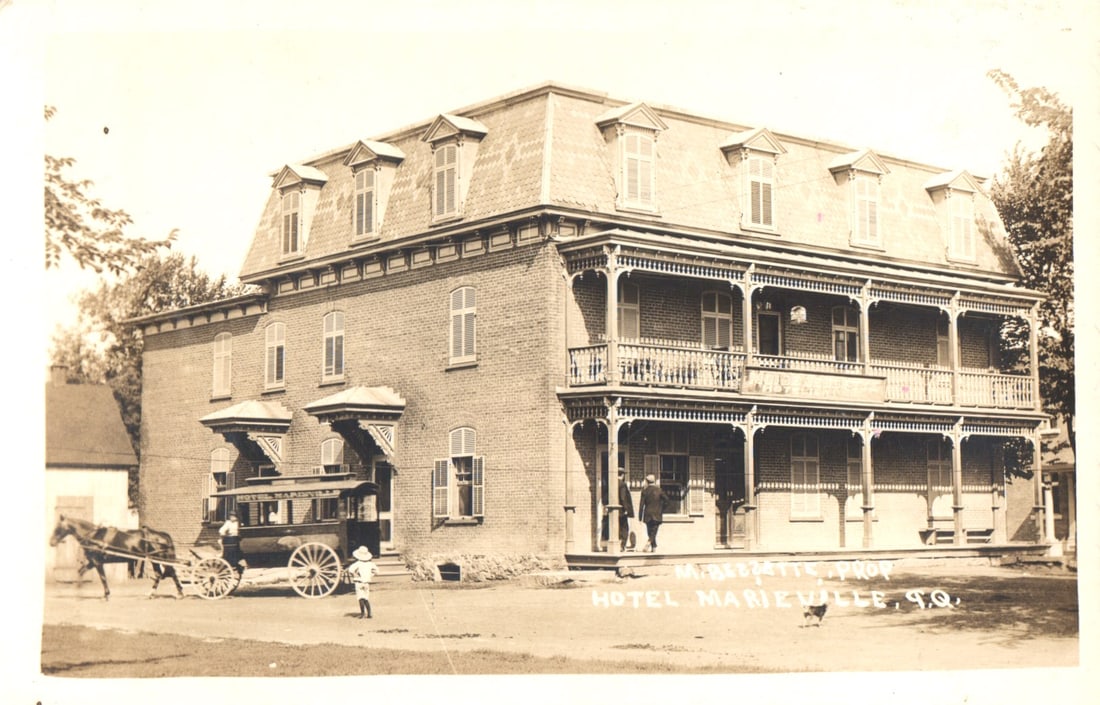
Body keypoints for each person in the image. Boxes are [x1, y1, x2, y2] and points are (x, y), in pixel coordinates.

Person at [346, 546, 378, 619]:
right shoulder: (370, 564)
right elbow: (377, 571)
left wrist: (355, 574)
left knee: (360, 598)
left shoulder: (358, 563)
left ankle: (362, 613)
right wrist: (371, 575)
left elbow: (350, 570)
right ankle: (369, 614)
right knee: (366, 598)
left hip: (359, 582)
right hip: (366, 583)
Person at [638, 474, 667, 553]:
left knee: (649, 531)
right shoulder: (659, 490)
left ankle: (653, 546)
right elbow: (667, 501)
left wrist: (640, 516)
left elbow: (641, 505)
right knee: (654, 531)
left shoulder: (644, 491)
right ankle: (650, 543)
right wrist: (661, 509)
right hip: (657, 514)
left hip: (647, 514)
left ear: (647, 482)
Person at [218, 510, 246, 575]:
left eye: (233, 516)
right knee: (220, 541)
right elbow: (221, 530)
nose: (231, 518)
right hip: (231, 538)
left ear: (236, 517)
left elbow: (242, 531)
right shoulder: (228, 523)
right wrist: (223, 534)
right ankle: (222, 553)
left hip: (236, 538)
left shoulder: (239, 523)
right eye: (231, 516)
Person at [617, 468, 636, 551]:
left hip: (614, 511)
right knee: (624, 528)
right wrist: (626, 509)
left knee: (617, 527)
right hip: (621, 510)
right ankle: (622, 545)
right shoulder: (622, 484)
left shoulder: (611, 484)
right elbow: (623, 497)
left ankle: (618, 544)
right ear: (622, 475)